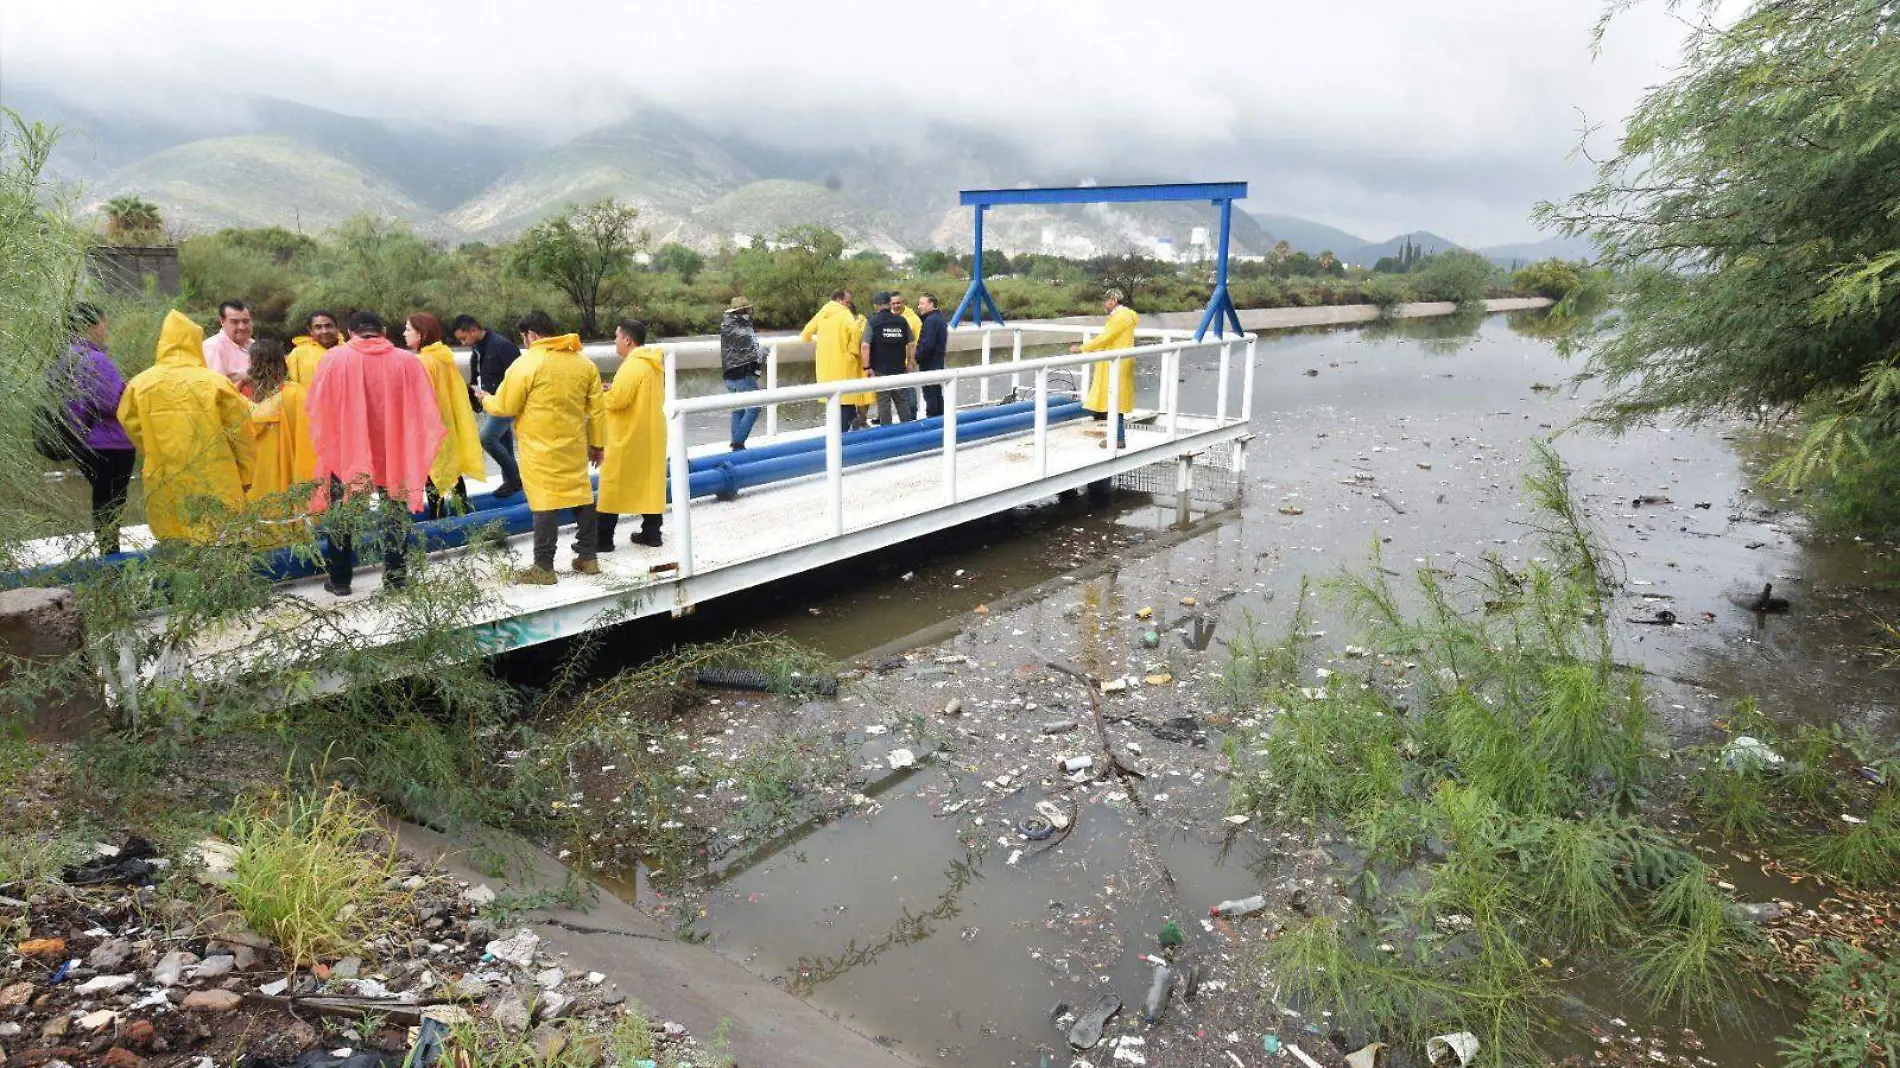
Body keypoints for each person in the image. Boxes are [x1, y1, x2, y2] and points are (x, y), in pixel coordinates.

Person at [306, 311, 445, 596]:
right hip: (394, 452)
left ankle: (340, 580)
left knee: (342, 513)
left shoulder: (333, 359)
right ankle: (395, 579)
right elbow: (426, 412)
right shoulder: (408, 361)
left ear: (350, 331)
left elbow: (317, 409)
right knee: (394, 513)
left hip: (346, 452)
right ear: (382, 330)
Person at [475, 311, 604, 585]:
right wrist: (597, 444)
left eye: (524, 339)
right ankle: (588, 556)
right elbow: (596, 411)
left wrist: (486, 399)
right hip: (573, 443)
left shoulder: (526, 364)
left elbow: (505, 406)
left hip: (539, 445)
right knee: (581, 494)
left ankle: (544, 567)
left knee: (545, 501)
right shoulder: (584, 364)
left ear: (531, 335)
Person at [118, 310, 256, 543]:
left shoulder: (139, 385)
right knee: (223, 542)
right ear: (194, 342)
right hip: (216, 476)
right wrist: (246, 474)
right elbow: (242, 432)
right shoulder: (215, 383)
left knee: (175, 541)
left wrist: (155, 450)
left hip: (165, 477)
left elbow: (130, 425)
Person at [59, 303, 137, 554]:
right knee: (112, 503)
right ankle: (111, 555)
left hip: (81, 441)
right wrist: (130, 389)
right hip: (111, 442)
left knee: (102, 499)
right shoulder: (97, 360)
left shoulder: (64, 359)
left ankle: (107, 552)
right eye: (103, 324)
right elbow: (112, 402)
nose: (105, 330)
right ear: (88, 326)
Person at [596, 319, 667, 550]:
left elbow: (618, 400)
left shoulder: (632, 365)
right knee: (650, 482)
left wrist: (599, 394)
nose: (615, 341)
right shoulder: (652, 364)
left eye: (616, 336)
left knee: (613, 484)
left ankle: (603, 540)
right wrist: (614, 388)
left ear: (627, 339)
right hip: (651, 432)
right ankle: (652, 533)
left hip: (628, 434)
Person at [406, 313, 485, 519]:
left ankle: (440, 526)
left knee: (435, 475)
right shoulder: (444, 357)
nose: (404, 334)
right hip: (448, 425)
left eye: (408, 330)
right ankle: (465, 517)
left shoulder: (423, 361)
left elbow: (419, 401)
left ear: (421, 334)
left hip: (431, 428)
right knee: (452, 471)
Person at [243, 339, 317, 547]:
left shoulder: (245, 395)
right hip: (292, 463)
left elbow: (249, 421)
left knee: (264, 506)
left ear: (254, 362)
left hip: (259, 467)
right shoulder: (295, 392)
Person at [451, 314, 523, 498]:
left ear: (473, 330)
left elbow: (520, 373)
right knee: (505, 444)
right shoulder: (477, 349)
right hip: (489, 403)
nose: (462, 343)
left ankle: (516, 479)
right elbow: (477, 377)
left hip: (505, 403)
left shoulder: (501, 345)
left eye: (463, 338)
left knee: (487, 438)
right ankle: (510, 482)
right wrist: (475, 399)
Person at [1072, 288, 1140, 448]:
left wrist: (1083, 348)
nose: (1105, 303)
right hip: (1120, 362)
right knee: (1117, 401)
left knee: (1114, 401)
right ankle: (1118, 437)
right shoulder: (1127, 316)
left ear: (1114, 300)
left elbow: (1105, 338)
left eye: (1106, 300)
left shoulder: (1120, 317)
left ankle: (1117, 439)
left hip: (1116, 364)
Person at [801, 289, 874, 431]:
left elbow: (806, 333)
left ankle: (847, 425)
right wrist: (853, 351)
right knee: (847, 397)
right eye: (847, 301)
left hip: (825, 364)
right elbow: (854, 331)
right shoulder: (844, 313)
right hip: (844, 363)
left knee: (832, 399)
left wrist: (811, 339)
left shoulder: (823, 312)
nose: (848, 304)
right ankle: (843, 433)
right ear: (840, 300)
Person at [861, 291, 917, 426]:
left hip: (880, 370)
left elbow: (865, 346)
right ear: (889, 304)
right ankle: (907, 429)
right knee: (901, 400)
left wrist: (866, 367)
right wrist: (910, 363)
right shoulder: (901, 321)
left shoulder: (872, 322)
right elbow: (911, 343)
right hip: (899, 368)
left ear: (876, 305)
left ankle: (886, 433)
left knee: (883, 402)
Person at [719, 296, 765, 451]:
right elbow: (752, 351)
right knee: (755, 407)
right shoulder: (741, 328)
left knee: (737, 408)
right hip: (742, 373)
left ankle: (736, 449)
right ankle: (737, 442)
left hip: (728, 372)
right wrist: (763, 356)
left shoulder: (726, 324)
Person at [202, 300, 254, 391]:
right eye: (235, 322)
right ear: (222, 322)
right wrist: (243, 379)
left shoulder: (254, 344)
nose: (242, 327)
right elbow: (216, 389)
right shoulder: (213, 347)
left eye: (246, 321)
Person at [913, 293, 949, 418]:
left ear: (931, 304)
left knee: (930, 394)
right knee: (936, 393)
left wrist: (916, 358)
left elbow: (927, 345)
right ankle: (941, 420)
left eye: (922, 303)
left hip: (930, 363)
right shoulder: (939, 319)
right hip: (937, 362)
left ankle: (933, 421)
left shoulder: (931, 321)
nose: (919, 306)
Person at [287, 310, 342, 387]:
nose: (324, 331)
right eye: (318, 327)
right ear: (311, 331)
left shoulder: (349, 351)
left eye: (328, 326)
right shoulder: (298, 354)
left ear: (337, 327)